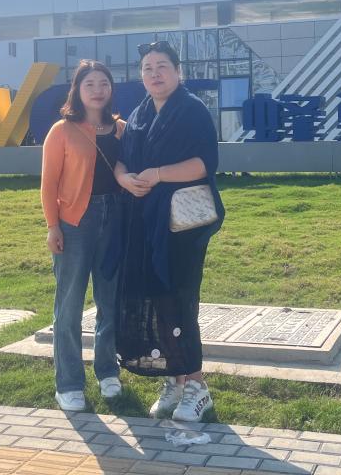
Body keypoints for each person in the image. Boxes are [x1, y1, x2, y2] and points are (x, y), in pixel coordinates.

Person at [112, 41, 225, 422]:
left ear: (179, 72)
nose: (155, 73)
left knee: (181, 299)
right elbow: (121, 161)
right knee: (157, 300)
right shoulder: (139, 114)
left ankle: (198, 387)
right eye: (147, 68)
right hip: (143, 220)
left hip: (181, 224)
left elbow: (204, 163)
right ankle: (175, 381)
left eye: (162, 66)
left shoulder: (191, 110)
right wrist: (125, 179)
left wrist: (159, 174)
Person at [41, 60, 126, 412]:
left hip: (115, 218)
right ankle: (69, 383)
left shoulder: (121, 129)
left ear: (111, 89)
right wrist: (53, 226)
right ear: (77, 90)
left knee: (110, 301)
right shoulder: (61, 130)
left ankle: (107, 370)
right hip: (75, 222)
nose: (97, 90)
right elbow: (49, 183)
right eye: (89, 83)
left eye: (103, 83)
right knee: (69, 305)